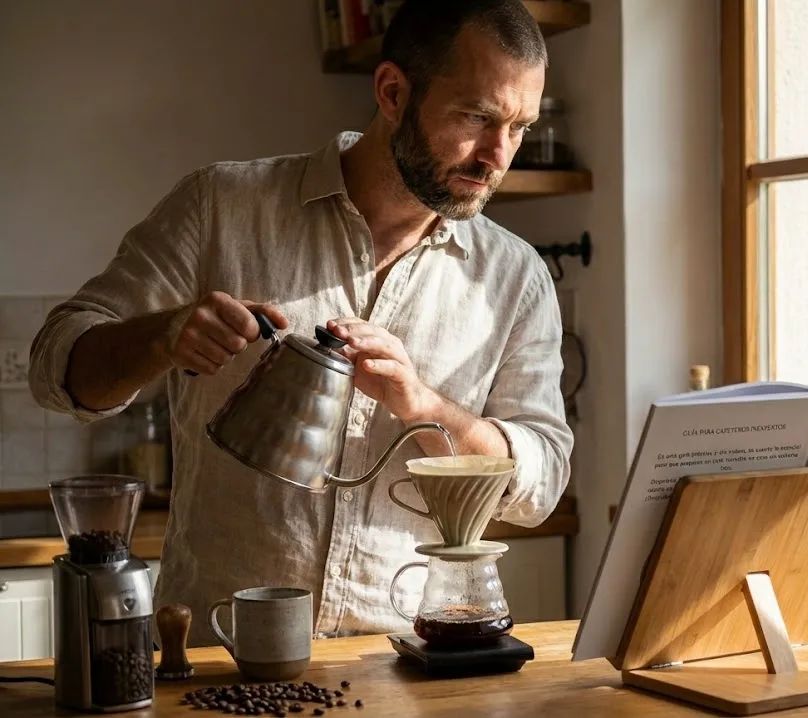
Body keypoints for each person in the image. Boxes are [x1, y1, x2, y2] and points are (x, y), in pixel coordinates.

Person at [28, 0, 573, 647]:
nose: (497, 155)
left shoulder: (513, 276)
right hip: (216, 655)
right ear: (393, 92)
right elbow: (55, 369)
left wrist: (421, 403)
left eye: (518, 126)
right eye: (477, 117)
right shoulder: (222, 208)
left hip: (404, 664)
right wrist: (162, 335)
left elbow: (538, 482)